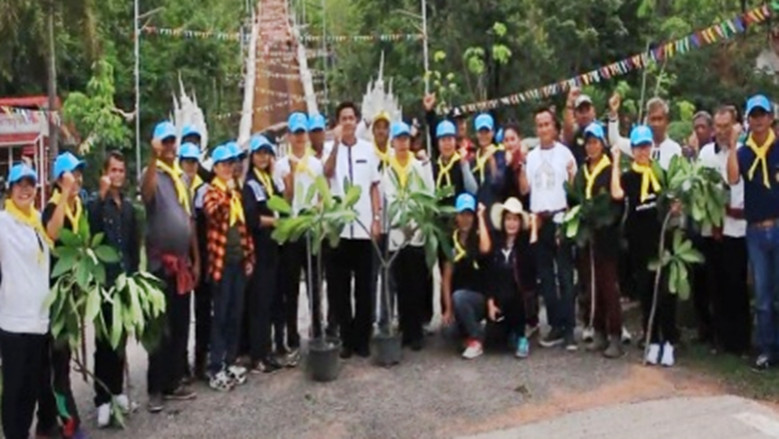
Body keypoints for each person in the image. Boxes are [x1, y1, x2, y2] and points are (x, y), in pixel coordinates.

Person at [140, 121, 199, 412]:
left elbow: (189, 221)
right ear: (156, 144)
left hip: (183, 264)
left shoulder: (182, 178)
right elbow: (147, 193)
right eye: (164, 142)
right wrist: (152, 157)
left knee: (179, 324)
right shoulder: (152, 173)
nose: (170, 147)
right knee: (159, 327)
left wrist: (195, 258)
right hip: (160, 264)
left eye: (172, 141)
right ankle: (155, 388)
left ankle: (174, 381)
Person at [611, 125, 678, 367]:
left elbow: (672, 199)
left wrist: (676, 207)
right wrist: (617, 161)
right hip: (639, 244)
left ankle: (669, 340)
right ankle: (653, 341)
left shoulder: (661, 173)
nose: (642, 151)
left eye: (646, 146)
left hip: (661, 240)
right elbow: (617, 193)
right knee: (647, 292)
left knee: (665, 293)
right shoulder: (629, 177)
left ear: (651, 147)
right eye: (638, 147)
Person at [0, 164, 55, 439]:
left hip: (38, 323)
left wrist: (67, 192)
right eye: (19, 183)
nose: (25, 189)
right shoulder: (2, 223)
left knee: (31, 392)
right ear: (9, 189)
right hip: (13, 324)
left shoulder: (38, 222)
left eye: (30, 183)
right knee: (14, 393)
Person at [325, 101, 382, 358]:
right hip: (338, 231)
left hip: (362, 229)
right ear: (337, 123)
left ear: (357, 121)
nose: (348, 122)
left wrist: (377, 218)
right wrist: (336, 144)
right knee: (339, 289)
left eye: (351, 118)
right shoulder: (329, 149)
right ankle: (346, 339)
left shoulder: (368, 150)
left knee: (365, 288)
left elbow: (373, 187)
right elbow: (327, 174)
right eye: (343, 118)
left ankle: (363, 338)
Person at [518, 107, 578, 350]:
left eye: (547, 124)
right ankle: (555, 324)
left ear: (554, 127)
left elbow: (573, 189)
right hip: (538, 221)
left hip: (560, 219)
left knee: (565, 275)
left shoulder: (565, 154)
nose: (543, 129)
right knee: (546, 277)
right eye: (539, 125)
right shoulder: (531, 157)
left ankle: (570, 328)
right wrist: (521, 167)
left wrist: (574, 175)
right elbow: (524, 190)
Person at [727, 94, 779, 370]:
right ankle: (768, 349)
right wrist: (735, 144)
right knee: (763, 295)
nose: (758, 120)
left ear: (771, 118)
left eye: (762, 115)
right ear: (747, 120)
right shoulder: (745, 152)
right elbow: (733, 178)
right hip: (756, 232)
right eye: (753, 116)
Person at [88, 151, 140, 427]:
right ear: (105, 173)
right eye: (113, 170)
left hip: (124, 282)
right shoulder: (98, 205)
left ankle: (117, 390)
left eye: (121, 170)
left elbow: (133, 245)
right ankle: (102, 399)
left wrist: (134, 280)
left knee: (120, 339)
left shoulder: (129, 207)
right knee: (104, 342)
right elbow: (92, 236)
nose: (118, 174)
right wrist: (101, 196)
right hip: (104, 284)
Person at [38, 151, 88, 438]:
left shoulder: (79, 207)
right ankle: (69, 423)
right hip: (54, 299)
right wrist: (65, 193)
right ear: (60, 180)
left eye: (79, 173)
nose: (78, 179)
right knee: (58, 364)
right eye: (72, 174)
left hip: (72, 296)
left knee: (60, 361)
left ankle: (48, 422)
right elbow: (53, 234)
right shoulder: (54, 207)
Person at [698, 107, 750, 356]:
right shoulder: (706, 153)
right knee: (715, 284)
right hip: (712, 227)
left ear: (736, 125)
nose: (721, 131)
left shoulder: (744, 151)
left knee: (736, 285)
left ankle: (739, 340)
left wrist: (734, 143)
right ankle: (719, 338)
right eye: (717, 126)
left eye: (726, 126)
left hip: (736, 227)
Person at [275, 112, 325, 365]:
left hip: (311, 228)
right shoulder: (281, 165)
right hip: (292, 229)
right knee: (291, 286)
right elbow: (283, 202)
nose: (299, 138)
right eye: (295, 133)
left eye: (302, 133)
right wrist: (292, 177)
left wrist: (318, 214)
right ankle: (292, 336)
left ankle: (317, 329)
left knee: (315, 283)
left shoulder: (315, 164)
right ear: (289, 136)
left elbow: (320, 196)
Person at [203, 144, 254, 391]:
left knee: (236, 314)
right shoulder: (213, 192)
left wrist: (249, 257)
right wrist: (229, 192)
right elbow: (213, 213)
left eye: (230, 164)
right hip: (221, 264)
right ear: (215, 167)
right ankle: (215, 367)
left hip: (237, 261)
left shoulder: (235, 193)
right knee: (220, 316)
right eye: (224, 164)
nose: (228, 168)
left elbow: (242, 229)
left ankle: (231, 360)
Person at [572, 123, 624, 358]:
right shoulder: (583, 170)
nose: (592, 146)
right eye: (588, 142)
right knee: (591, 285)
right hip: (588, 236)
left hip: (607, 236)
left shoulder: (609, 167)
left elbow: (616, 200)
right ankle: (599, 330)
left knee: (608, 286)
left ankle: (615, 335)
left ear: (602, 143)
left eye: (595, 142)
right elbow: (576, 198)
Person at [383, 121, 434, 350]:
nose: (402, 143)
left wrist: (416, 223)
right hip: (396, 232)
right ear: (392, 142)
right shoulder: (386, 168)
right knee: (401, 283)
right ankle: (404, 328)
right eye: (398, 139)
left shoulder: (419, 165)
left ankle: (417, 331)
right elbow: (389, 198)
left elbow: (428, 194)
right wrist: (400, 223)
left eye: (405, 139)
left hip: (416, 232)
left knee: (416, 282)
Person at [243, 134, 284, 373]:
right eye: (258, 153)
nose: (262, 157)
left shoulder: (269, 181)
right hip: (258, 249)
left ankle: (266, 352)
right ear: (252, 156)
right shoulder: (250, 184)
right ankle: (257, 356)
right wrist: (275, 221)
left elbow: (282, 201)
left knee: (269, 302)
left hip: (272, 250)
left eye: (266, 153)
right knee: (258, 303)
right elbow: (252, 218)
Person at [441, 193, 491, 359]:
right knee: (448, 332)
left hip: (478, 298)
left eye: (469, 214)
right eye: (462, 214)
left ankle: (476, 340)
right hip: (458, 303)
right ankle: (474, 332)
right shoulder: (450, 240)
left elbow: (485, 249)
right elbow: (446, 279)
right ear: (456, 215)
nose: (466, 219)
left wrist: (481, 217)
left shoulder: (477, 237)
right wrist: (448, 309)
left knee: (460, 297)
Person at [487, 197, 534, 358]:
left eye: (515, 219)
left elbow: (530, 275)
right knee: (493, 342)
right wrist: (490, 302)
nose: (511, 223)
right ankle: (508, 333)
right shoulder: (496, 243)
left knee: (515, 298)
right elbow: (490, 275)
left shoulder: (525, 245)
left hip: (518, 298)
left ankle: (522, 337)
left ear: (520, 222)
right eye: (508, 219)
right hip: (499, 298)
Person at [179, 141, 209, 381]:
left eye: (194, 162)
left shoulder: (204, 186)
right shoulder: (174, 185)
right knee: (181, 312)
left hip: (201, 255)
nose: (191, 166)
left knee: (202, 310)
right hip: (180, 257)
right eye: (187, 162)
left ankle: (200, 360)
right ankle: (181, 364)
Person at [608, 93, 682, 170]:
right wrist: (613, 114)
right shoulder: (639, 145)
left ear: (666, 121)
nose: (656, 124)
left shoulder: (675, 149)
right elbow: (615, 141)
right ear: (647, 120)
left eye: (660, 119)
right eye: (653, 119)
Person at [471, 113, 507, 208]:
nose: (483, 136)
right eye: (480, 132)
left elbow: (500, 184)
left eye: (486, 132)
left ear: (493, 132)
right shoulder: (474, 157)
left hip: (495, 206)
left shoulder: (500, 153)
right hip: (478, 206)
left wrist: (492, 161)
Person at [562, 87, 599, 165]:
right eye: (581, 111)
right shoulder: (576, 132)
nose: (584, 115)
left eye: (587, 110)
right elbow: (567, 134)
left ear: (594, 111)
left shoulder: (602, 130)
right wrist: (569, 105)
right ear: (575, 114)